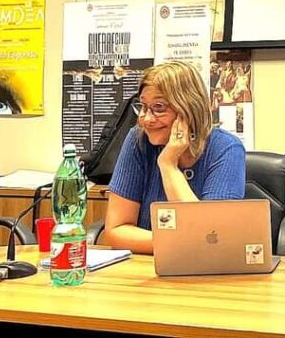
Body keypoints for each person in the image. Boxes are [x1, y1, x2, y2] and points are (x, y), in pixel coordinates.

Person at [104, 61, 245, 254]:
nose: (147, 119)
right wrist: (178, 243)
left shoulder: (226, 148)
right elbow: (116, 230)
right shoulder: (138, 140)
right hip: (146, 265)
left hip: (205, 269)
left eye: (159, 107)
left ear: (189, 109)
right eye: (143, 106)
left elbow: (210, 237)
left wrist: (168, 164)